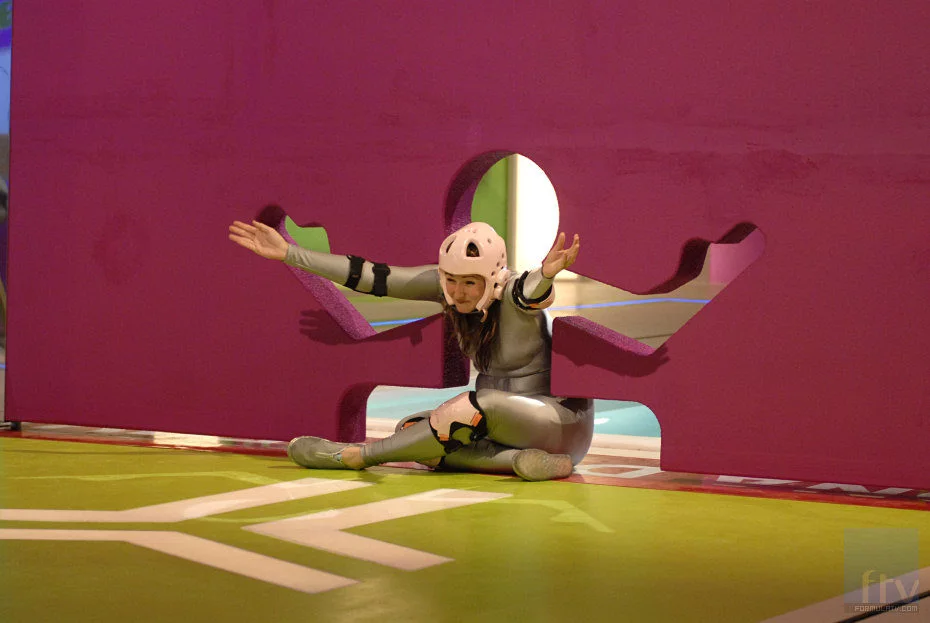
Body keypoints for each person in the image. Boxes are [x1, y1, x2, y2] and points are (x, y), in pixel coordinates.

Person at [228, 219, 592, 480]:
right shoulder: (448, 288)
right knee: (412, 430)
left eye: (470, 282)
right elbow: (373, 277)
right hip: (502, 425)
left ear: (493, 279)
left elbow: (529, 290)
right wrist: (290, 253)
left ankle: (356, 457)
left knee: (462, 411)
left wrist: (546, 274)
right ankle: (517, 461)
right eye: (451, 280)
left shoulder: (512, 293)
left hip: (556, 424)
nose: (458, 291)